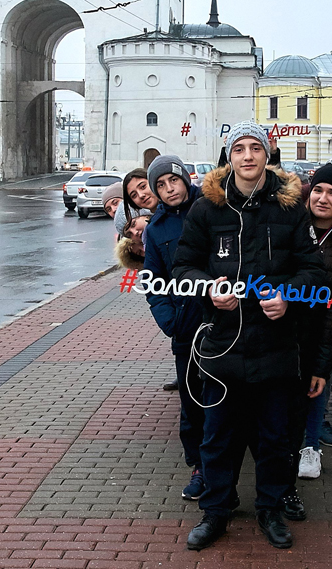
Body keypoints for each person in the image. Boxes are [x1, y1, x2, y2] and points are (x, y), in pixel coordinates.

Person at [173, 121, 326, 551]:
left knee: (275, 438)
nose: (247, 156)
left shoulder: (289, 207)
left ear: (267, 153)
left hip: (276, 346)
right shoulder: (207, 208)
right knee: (218, 437)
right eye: (238, 148)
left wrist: (289, 298)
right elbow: (183, 266)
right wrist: (208, 287)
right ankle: (216, 511)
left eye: (254, 147)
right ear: (229, 156)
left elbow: (313, 271)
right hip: (222, 345)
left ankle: (270, 509)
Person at [141, 154, 206, 501]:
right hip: (184, 326)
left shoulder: (211, 207)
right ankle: (199, 467)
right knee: (191, 398)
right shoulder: (156, 228)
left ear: (185, 179)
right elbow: (153, 280)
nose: (169, 190)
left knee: (227, 396)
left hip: (221, 318)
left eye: (173, 181)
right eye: (161, 186)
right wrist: (169, 320)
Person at [294, 164, 332, 485]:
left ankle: (310, 446)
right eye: (318, 190)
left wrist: (322, 364)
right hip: (283, 332)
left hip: (321, 334)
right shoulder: (291, 228)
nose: (323, 198)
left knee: (316, 389)